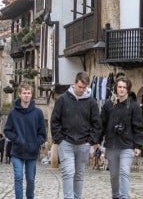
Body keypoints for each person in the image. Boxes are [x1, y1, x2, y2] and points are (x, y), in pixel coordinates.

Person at [50, 71, 101, 199]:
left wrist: (91, 141)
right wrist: (59, 139)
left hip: (83, 143)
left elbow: (97, 123)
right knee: (68, 172)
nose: (81, 90)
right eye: (79, 87)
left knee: (79, 174)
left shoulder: (91, 102)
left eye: (84, 88)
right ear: (74, 83)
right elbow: (55, 120)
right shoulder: (62, 99)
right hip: (66, 142)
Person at [99, 76, 143, 199]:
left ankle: (124, 197)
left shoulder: (134, 106)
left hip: (127, 145)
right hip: (112, 145)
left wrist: (138, 145)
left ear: (128, 90)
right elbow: (102, 124)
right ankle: (116, 195)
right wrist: (97, 142)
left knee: (124, 172)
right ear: (116, 88)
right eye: (119, 87)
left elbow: (138, 127)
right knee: (114, 175)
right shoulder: (108, 105)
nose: (122, 90)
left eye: (124, 87)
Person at [4, 83, 46, 199]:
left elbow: (42, 134)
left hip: (32, 152)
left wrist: (36, 142)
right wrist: (17, 139)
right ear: (20, 94)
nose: (26, 95)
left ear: (31, 95)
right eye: (24, 93)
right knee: (18, 177)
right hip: (17, 151)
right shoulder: (13, 113)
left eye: (28, 93)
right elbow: (7, 130)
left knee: (30, 180)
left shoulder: (38, 113)